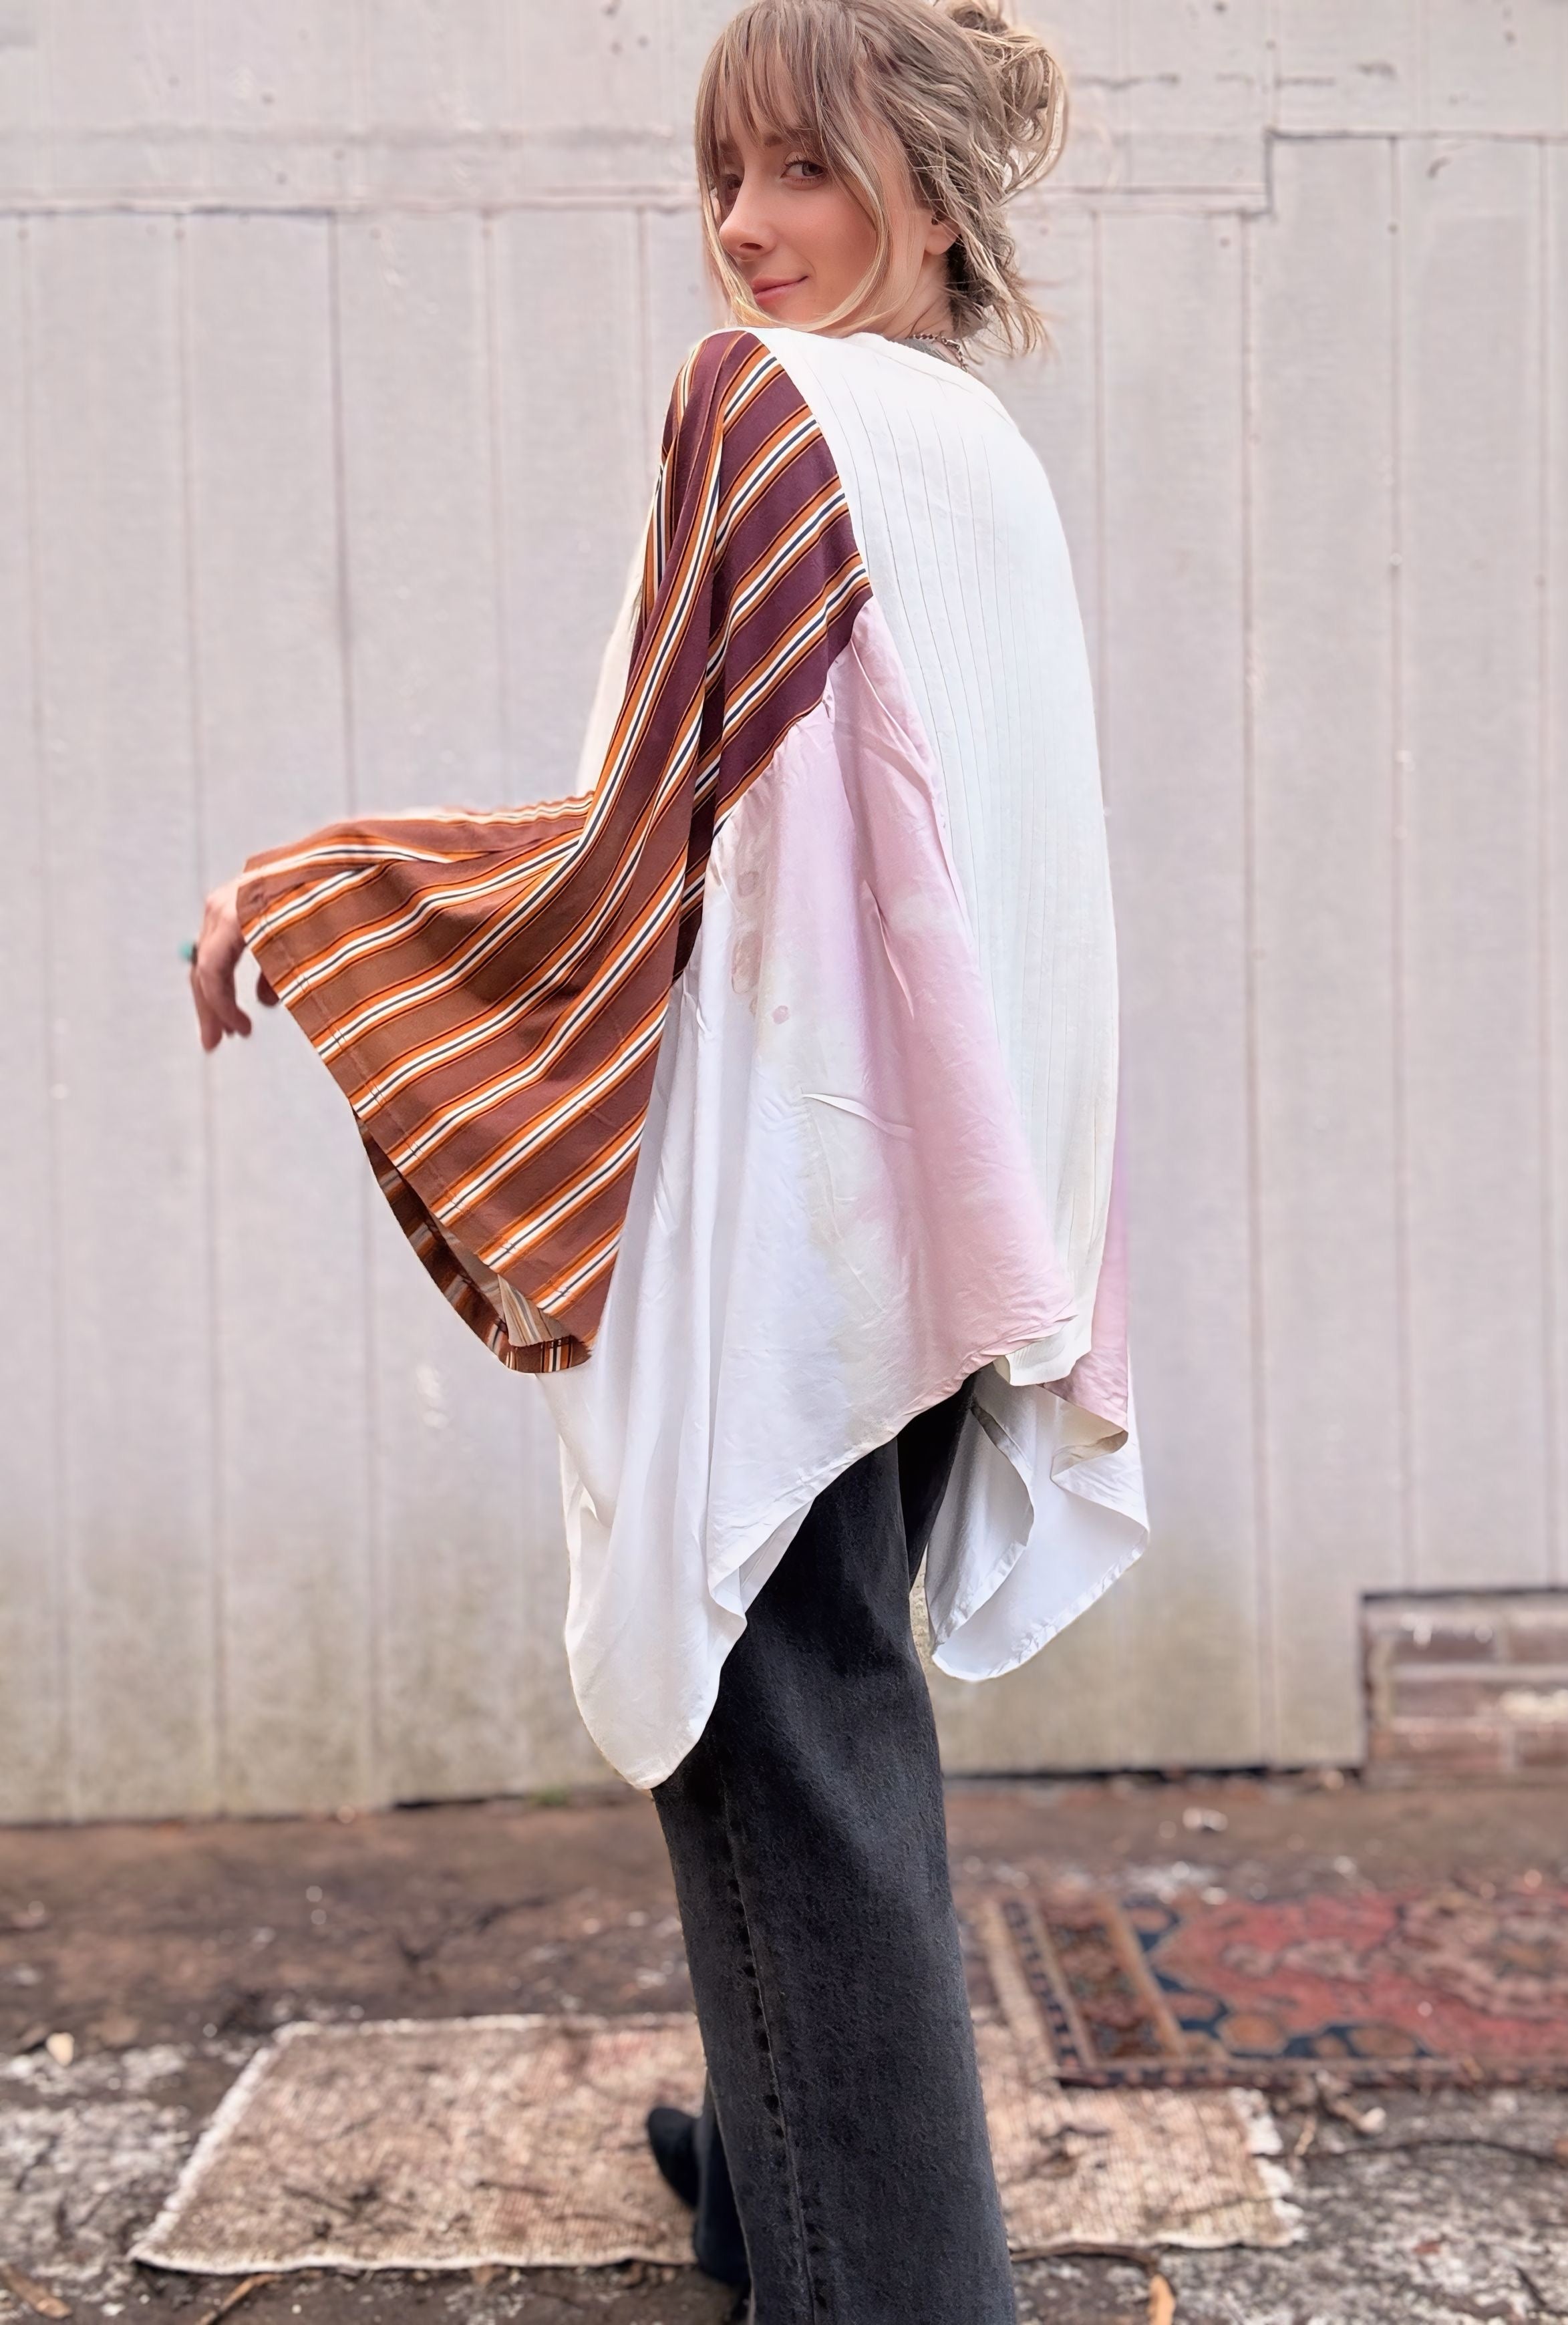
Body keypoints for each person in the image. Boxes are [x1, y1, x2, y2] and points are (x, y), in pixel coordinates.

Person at [188, 2, 1146, 2317]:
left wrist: (315, 891)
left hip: (801, 1202)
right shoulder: (976, 450)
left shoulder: (761, 403)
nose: (744, 224)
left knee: (782, 1750)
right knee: (819, 1718)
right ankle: (766, 2176)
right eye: (726, 170)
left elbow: (636, 844)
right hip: (966, 1188)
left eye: (803, 168)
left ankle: (886, 2278)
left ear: (929, 190)